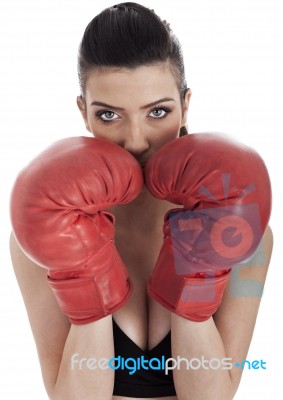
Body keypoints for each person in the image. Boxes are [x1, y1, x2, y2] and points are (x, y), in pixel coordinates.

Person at [9, 2, 273, 399]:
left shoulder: (243, 232)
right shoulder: (40, 232)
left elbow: (214, 395)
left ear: (185, 105)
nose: (135, 140)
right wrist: (83, 270)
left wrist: (199, 269)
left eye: (158, 111)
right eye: (110, 115)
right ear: (84, 112)